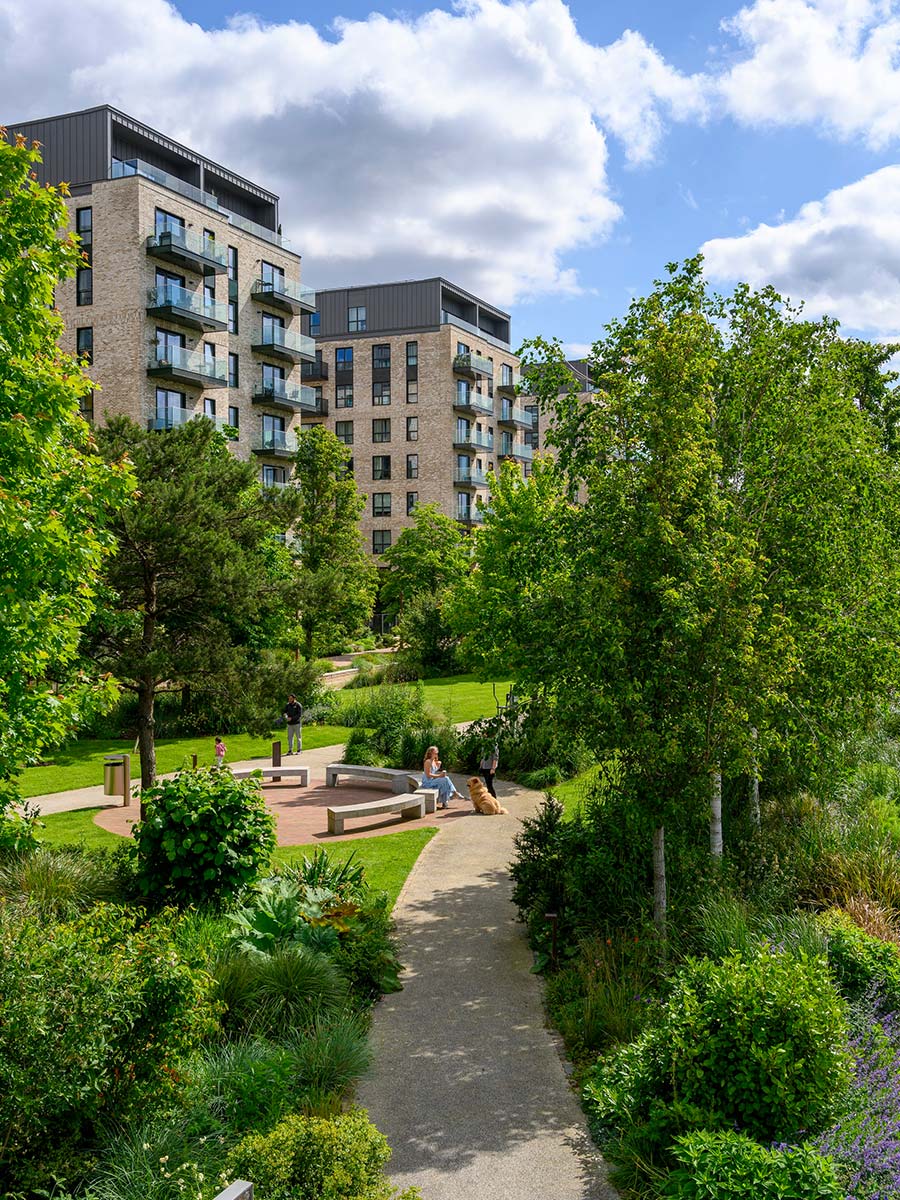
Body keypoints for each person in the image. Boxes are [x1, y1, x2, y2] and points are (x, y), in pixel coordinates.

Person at [422, 745, 464, 809]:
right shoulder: (428, 762)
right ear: (430, 753)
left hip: (432, 780)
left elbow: (433, 771)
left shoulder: (434, 761)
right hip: (427, 782)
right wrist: (440, 776)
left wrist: (438, 767)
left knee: (445, 782)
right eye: (435, 753)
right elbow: (428, 775)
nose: (436, 754)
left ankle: (445, 802)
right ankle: (453, 794)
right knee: (445, 779)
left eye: (437, 753)